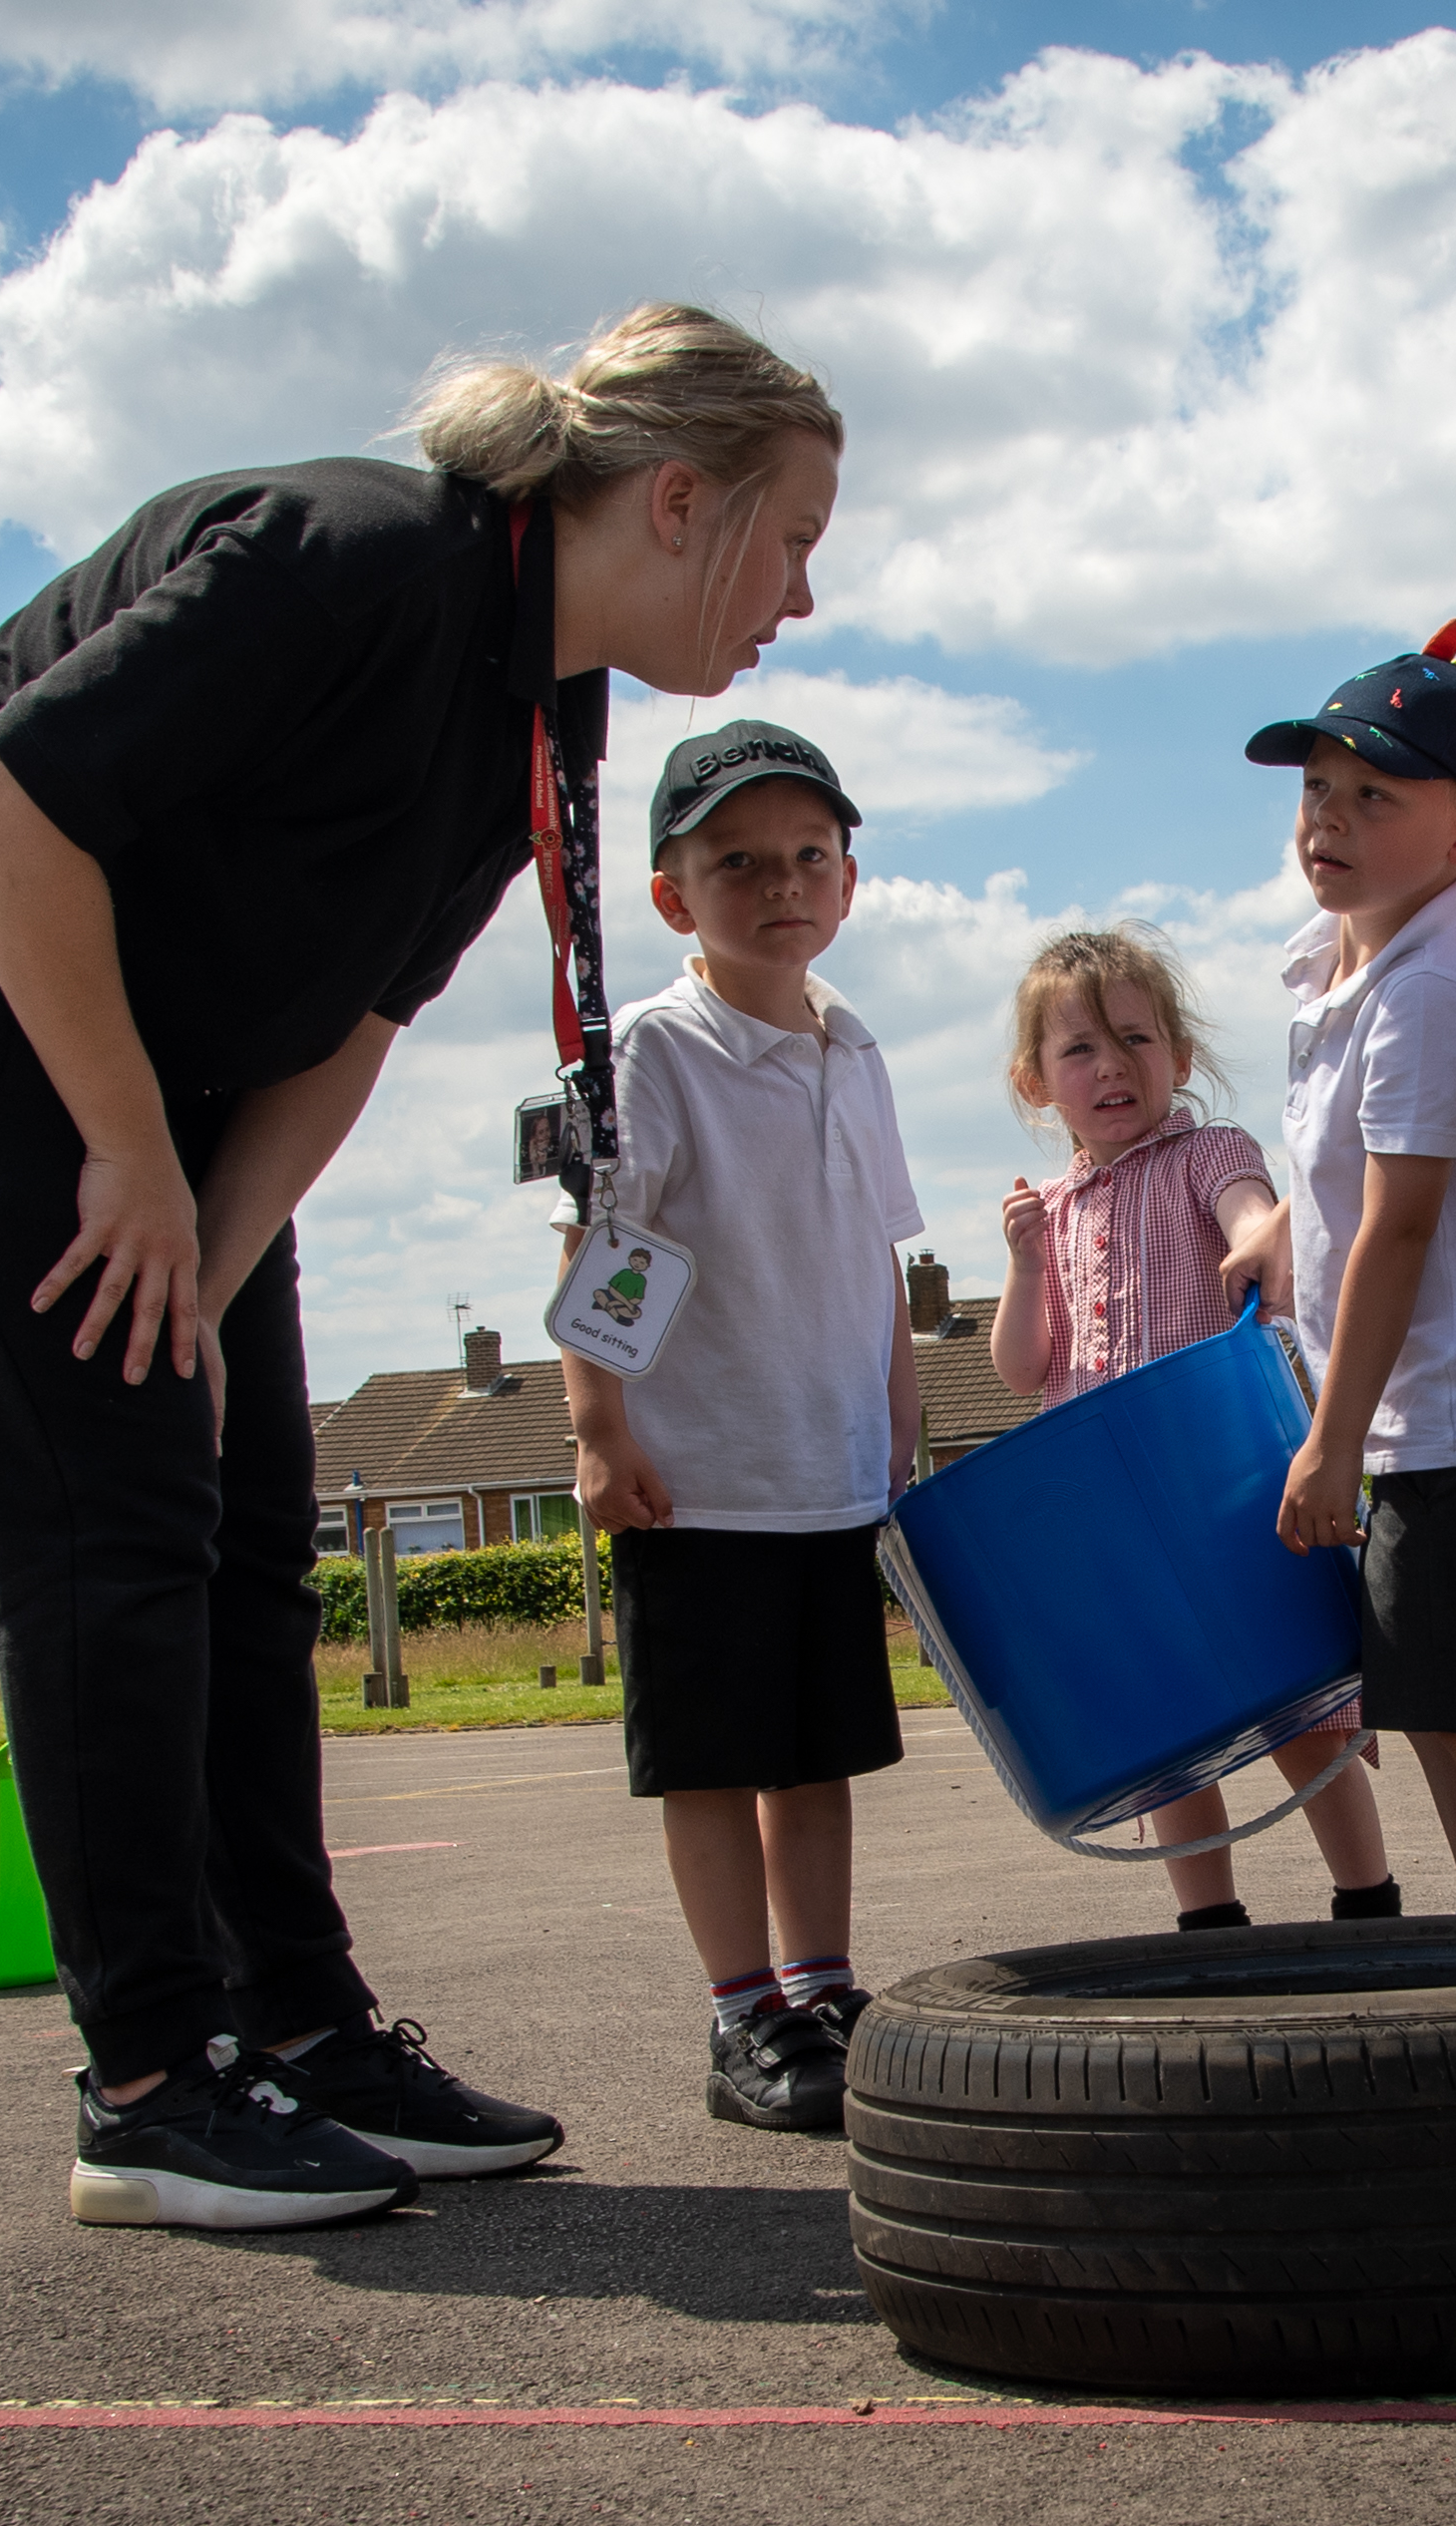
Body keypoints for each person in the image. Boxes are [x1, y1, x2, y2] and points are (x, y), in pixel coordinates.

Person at [0, 303, 843, 2230]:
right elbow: (3, 805)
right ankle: (154, 2080)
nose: (803, 600)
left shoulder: (542, 697)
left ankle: (305, 2031)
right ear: (681, 502)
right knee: (115, 1522)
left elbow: (359, 1017)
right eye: (795, 541)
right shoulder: (352, 556)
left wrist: (213, 1244)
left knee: (245, 1510)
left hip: (166, 1066)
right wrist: (126, 1153)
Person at [557, 718, 919, 2135]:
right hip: (698, 1477)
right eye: (737, 863)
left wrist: (898, 1423)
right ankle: (740, 2013)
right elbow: (613, 1247)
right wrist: (599, 1426)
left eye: (808, 857)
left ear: (847, 877)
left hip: (825, 1467)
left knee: (814, 1749)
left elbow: (880, 1253)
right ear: (673, 895)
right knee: (711, 1757)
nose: (781, 884)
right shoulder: (660, 1049)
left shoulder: (858, 1046)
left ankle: (821, 1984)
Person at [1220, 624, 1456, 1915]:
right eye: (1319, 788)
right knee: (1434, 1700)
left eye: (1376, 794)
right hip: (1412, 1410)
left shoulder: (1430, 991)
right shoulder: (1336, 968)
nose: (1330, 817)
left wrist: (1328, 1441)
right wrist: (1278, 1228)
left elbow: (1401, 1225)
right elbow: (1340, 1183)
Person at [988, 925, 1399, 1933]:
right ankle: (1207, 1920)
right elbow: (1021, 1370)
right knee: (1161, 1721)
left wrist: (1263, 1229)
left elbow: (1250, 1217)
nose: (1111, 1066)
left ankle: (1367, 1898)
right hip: (1105, 1503)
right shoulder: (1048, 1205)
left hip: (1221, 1478)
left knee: (1300, 1704)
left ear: (1178, 1055)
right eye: (1078, 1048)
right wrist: (1026, 1264)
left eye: (1135, 1038)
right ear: (1036, 1080)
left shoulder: (1207, 1153)